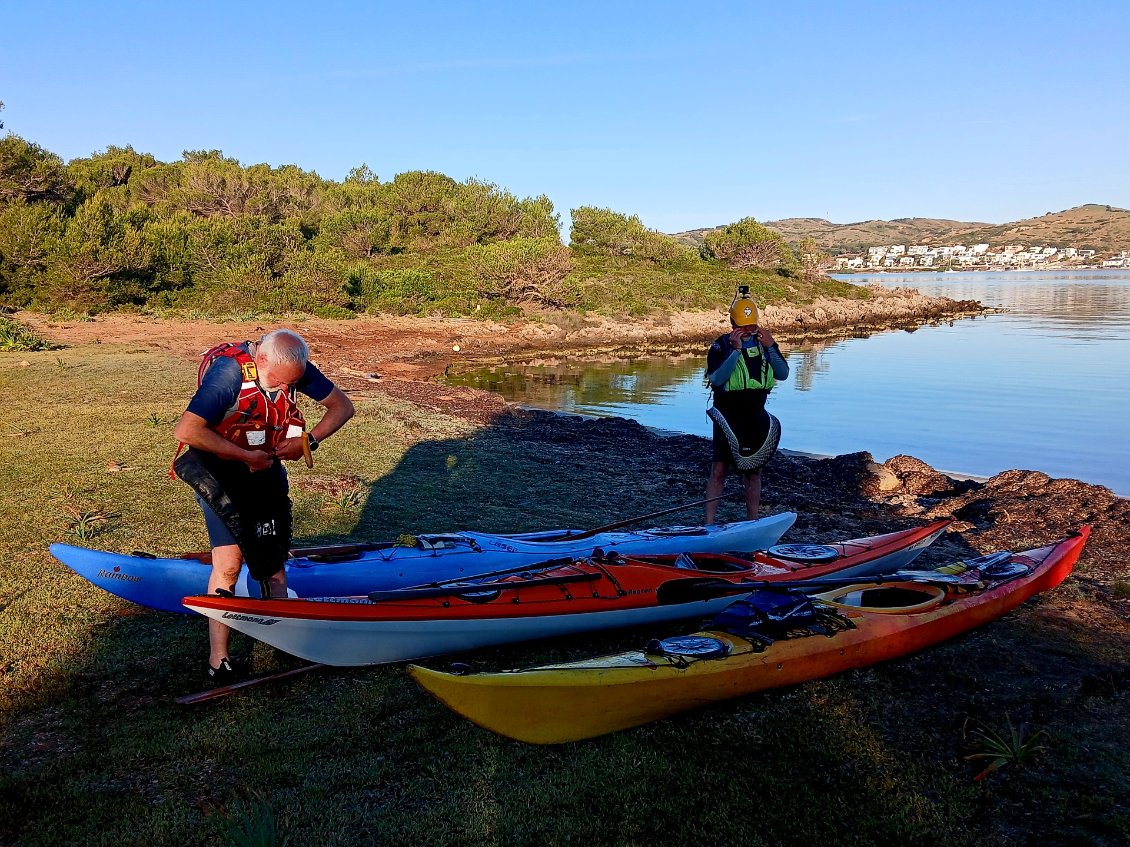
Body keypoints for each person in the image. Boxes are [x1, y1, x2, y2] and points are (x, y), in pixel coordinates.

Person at [172, 329, 355, 684]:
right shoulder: (228, 373)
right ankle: (218, 659)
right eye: (277, 381)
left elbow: (343, 406)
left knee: (273, 560)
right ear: (263, 359)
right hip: (219, 471)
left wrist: (308, 441)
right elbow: (188, 430)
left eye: (292, 384)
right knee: (228, 563)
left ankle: (283, 644)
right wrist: (244, 455)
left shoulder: (294, 368)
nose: (282, 388)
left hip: (265, 467)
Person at [704, 287, 789, 523]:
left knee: (754, 471)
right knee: (719, 469)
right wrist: (735, 352)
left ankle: (752, 521)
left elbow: (782, 374)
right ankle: (709, 522)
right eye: (743, 327)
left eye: (752, 327)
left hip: (755, 416)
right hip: (727, 416)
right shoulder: (721, 345)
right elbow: (717, 379)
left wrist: (771, 347)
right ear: (733, 324)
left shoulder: (766, 345)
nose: (748, 332)